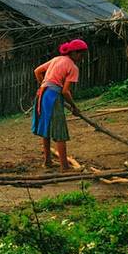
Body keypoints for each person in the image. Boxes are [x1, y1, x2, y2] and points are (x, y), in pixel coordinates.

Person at [32, 39, 88, 172]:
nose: (81, 57)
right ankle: (65, 167)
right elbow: (65, 91)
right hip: (53, 97)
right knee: (59, 131)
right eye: (80, 54)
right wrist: (74, 106)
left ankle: (47, 161)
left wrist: (43, 85)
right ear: (73, 53)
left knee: (46, 128)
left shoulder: (57, 59)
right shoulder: (73, 68)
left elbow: (37, 71)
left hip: (42, 94)